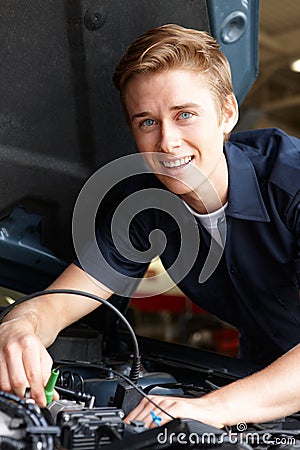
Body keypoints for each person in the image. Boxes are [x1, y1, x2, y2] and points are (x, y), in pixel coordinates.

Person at [0, 24, 299, 430]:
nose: (168, 142)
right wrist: (20, 327)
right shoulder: (142, 206)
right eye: (147, 122)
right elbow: (63, 300)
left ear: (228, 112)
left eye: (185, 115)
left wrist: (210, 409)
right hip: (262, 384)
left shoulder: (292, 183)